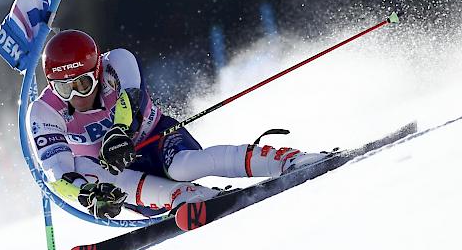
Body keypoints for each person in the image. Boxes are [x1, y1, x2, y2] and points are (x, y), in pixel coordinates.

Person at [26, 30, 329, 219]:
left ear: (97, 70)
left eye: (83, 83)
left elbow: (128, 102)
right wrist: (89, 195)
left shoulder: (117, 62)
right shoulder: (42, 112)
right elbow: (57, 172)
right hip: (124, 177)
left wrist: (120, 132)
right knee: (86, 167)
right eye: (66, 89)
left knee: (183, 167)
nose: (77, 95)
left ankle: (286, 160)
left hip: (157, 140)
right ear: (53, 86)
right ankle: (182, 197)